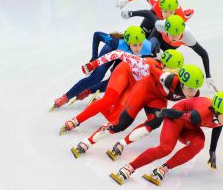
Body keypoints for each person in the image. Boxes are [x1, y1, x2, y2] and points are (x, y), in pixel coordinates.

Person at [70, 64, 204, 160]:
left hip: (158, 98)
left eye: (195, 89)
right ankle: (87, 142)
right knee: (121, 124)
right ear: (181, 83)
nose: (192, 93)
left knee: (155, 122)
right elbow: (152, 68)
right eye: (189, 89)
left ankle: (122, 144)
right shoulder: (168, 78)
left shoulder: (195, 93)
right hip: (144, 90)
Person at [109, 91, 223, 185]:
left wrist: (212, 151)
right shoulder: (200, 113)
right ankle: (129, 167)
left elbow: (218, 125)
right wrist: (162, 112)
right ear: (216, 111)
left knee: (198, 143)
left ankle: (164, 168)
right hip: (177, 117)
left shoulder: (220, 118)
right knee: (165, 148)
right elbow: (178, 114)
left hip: (190, 125)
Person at [59, 49, 184, 137]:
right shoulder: (146, 64)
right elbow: (117, 53)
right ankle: (75, 121)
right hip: (124, 71)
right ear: (163, 64)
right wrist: (93, 64)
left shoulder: (168, 77)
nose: (173, 75)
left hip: (135, 85)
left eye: (176, 72)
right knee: (110, 99)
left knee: (114, 119)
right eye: (172, 71)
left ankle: (97, 103)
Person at [51, 26, 160, 110]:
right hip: (111, 50)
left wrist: (156, 54)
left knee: (115, 81)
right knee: (96, 77)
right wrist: (94, 57)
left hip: (123, 56)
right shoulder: (116, 42)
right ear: (128, 42)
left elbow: (155, 40)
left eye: (140, 44)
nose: (138, 48)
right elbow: (97, 35)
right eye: (134, 45)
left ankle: (88, 91)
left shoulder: (147, 47)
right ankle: (66, 97)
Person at [121, 12, 217, 91]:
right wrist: (131, 14)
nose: (174, 37)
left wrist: (208, 76)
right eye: (171, 33)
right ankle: (130, 73)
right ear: (166, 30)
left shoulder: (187, 37)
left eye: (177, 34)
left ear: (182, 32)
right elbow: (148, 13)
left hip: (169, 46)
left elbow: (203, 54)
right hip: (159, 37)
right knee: (148, 55)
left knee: (161, 64)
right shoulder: (161, 25)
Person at [116, 0, 194, 37]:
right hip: (154, 15)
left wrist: (185, 12)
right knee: (141, 34)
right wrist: (126, 0)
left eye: (171, 12)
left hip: (164, 22)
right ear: (161, 8)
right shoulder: (156, 5)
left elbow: (191, 11)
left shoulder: (180, 17)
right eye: (165, 11)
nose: (168, 15)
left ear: (175, 11)